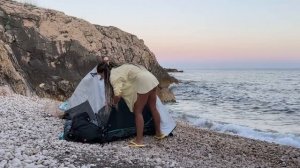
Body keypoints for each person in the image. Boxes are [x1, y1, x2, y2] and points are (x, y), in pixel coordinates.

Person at [97, 58, 165, 147]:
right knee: (153, 108)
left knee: (138, 112)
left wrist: (113, 103)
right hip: (152, 78)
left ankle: (139, 141)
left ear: (104, 72)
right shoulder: (122, 67)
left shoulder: (113, 76)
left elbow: (118, 95)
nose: (102, 78)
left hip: (144, 81)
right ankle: (159, 133)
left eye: (101, 75)